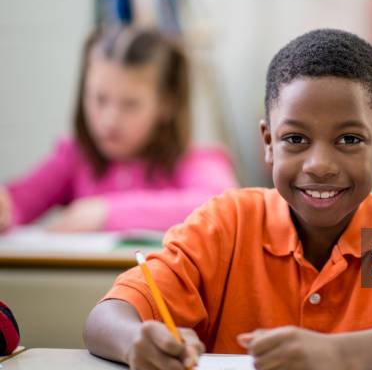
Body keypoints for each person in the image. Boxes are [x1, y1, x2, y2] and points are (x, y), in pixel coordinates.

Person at [84, 29, 372, 370]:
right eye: (296, 138)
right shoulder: (227, 224)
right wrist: (136, 341)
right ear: (268, 143)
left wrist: (339, 355)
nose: (319, 164)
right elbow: (104, 318)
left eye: (350, 138)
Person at [0, 26, 237, 233]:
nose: (109, 120)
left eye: (130, 104)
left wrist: (106, 213)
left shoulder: (193, 160)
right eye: (100, 99)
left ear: (166, 103)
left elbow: (223, 205)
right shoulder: (73, 158)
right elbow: (18, 202)